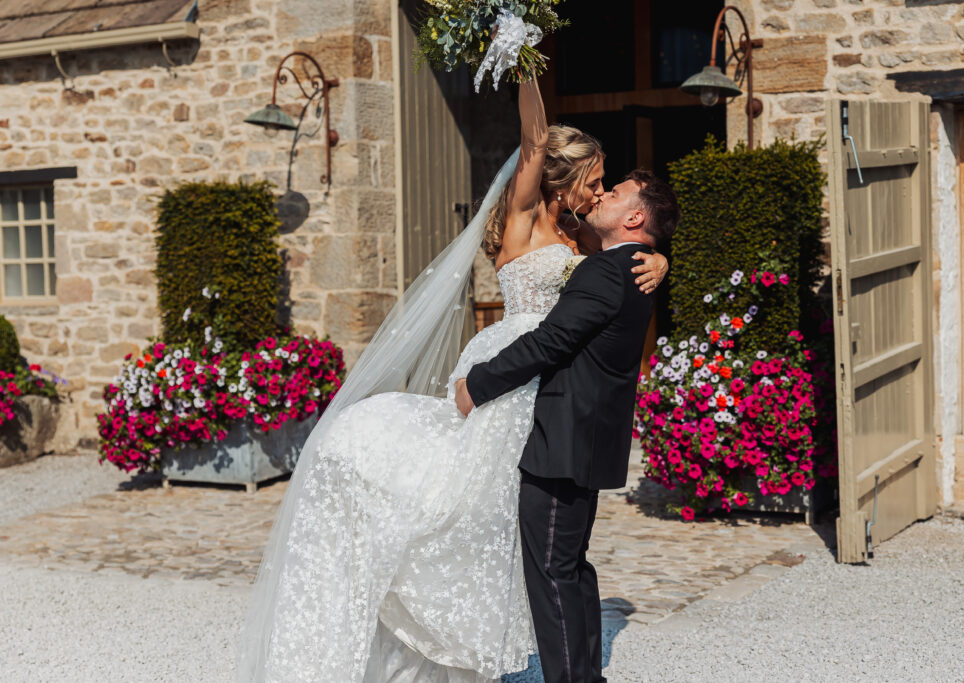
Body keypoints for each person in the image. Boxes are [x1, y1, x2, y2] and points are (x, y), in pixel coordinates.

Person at [235, 76, 670, 682]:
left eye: (605, 185)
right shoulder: (523, 216)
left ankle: (502, 640)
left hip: (541, 385)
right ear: (560, 177)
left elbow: (615, 279)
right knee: (456, 504)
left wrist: (659, 254)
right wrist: (520, 54)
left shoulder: (584, 239)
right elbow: (534, 135)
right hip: (508, 368)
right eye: (593, 180)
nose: (598, 192)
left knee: (504, 524)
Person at [455, 167, 679, 683]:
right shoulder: (635, 267)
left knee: (553, 571)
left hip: (563, 435)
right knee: (571, 565)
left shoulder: (603, 271)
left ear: (635, 217)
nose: (602, 195)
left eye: (615, 192)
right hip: (589, 435)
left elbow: (550, 341)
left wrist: (477, 386)